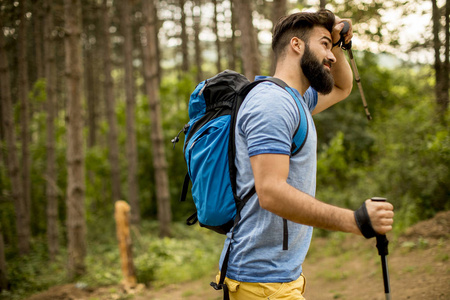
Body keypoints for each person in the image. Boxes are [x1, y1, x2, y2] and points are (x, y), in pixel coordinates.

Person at [216, 9, 395, 300]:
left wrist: (336, 38)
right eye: (324, 44)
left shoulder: (296, 100)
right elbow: (271, 192)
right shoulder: (272, 104)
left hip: (277, 277)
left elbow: (342, 86)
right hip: (263, 283)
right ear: (296, 45)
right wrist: (356, 221)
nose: (333, 56)